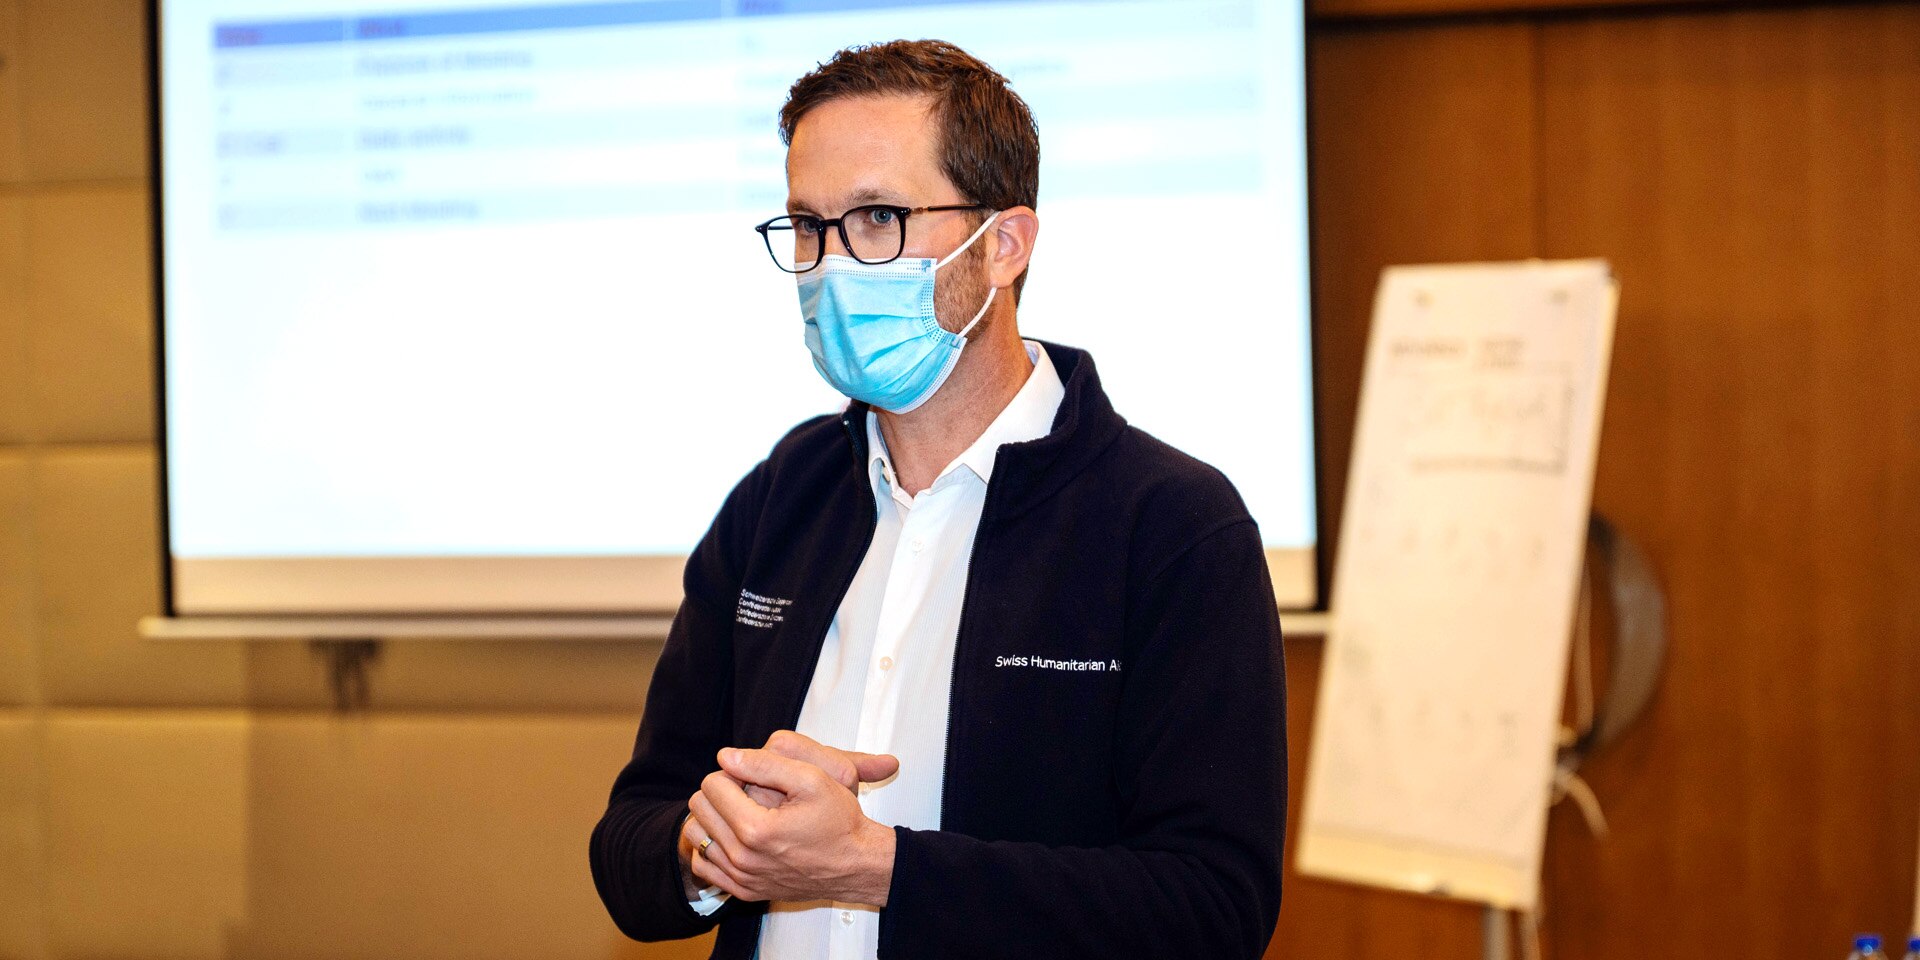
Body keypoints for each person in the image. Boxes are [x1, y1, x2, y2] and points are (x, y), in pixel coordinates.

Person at [590, 38, 1287, 960]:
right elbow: (631, 843)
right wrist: (710, 848)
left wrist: (875, 868)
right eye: (807, 225)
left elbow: (1211, 907)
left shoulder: (1172, 528)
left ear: (1003, 245)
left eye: (876, 218)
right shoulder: (778, 500)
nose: (831, 265)